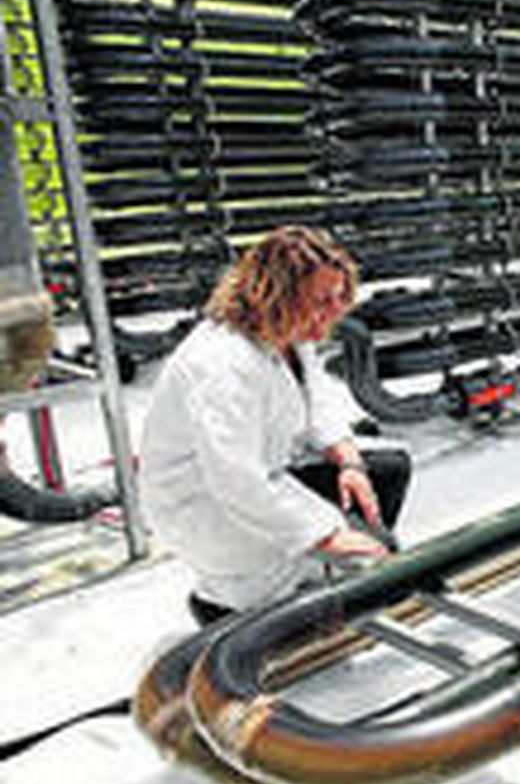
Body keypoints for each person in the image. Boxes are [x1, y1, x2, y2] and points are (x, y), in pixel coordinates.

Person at [140, 226, 411, 625]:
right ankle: (225, 607)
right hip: (205, 503)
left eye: (339, 297)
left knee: (387, 471)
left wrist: (350, 464)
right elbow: (236, 480)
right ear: (277, 296)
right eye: (320, 301)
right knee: (366, 549)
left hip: (259, 478)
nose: (334, 312)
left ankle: (323, 585)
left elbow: (317, 402)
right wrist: (327, 537)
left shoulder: (289, 333)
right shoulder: (221, 363)